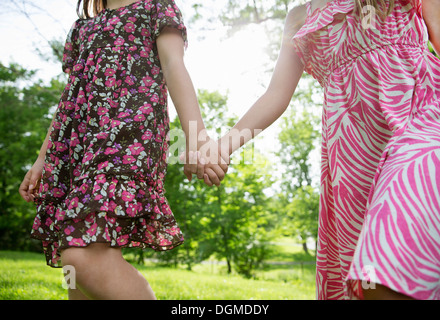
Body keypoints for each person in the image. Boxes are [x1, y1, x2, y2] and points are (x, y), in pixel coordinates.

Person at [186, 0, 440, 300]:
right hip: (353, 158)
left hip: (419, 124)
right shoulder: (298, 19)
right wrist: (222, 146)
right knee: (369, 277)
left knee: (392, 249)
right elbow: (276, 95)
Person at [18, 0, 227, 300]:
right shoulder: (81, 29)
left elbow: (173, 65)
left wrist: (197, 138)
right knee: (74, 269)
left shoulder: (156, 8)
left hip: (127, 138)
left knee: (81, 256)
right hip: (76, 147)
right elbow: (69, 97)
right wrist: (42, 159)